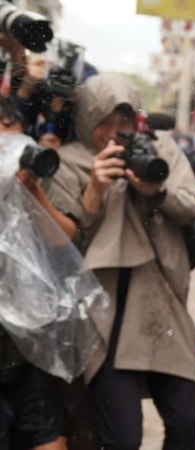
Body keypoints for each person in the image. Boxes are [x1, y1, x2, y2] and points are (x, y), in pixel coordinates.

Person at [43, 73, 195, 450]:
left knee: (185, 424)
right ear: (85, 119)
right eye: (103, 121)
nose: (114, 132)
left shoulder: (159, 147)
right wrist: (95, 190)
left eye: (125, 121)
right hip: (103, 314)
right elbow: (62, 248)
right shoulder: (66, 163)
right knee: (123, 438)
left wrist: (156, 190)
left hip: (160, 304)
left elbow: (192, 207)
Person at [0, 98, 70, 450]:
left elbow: (64, 239)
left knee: (47, 435)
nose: (12, 152)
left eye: (18, 141)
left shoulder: (32, 177)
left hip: (27, 336)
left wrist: (34, 191)